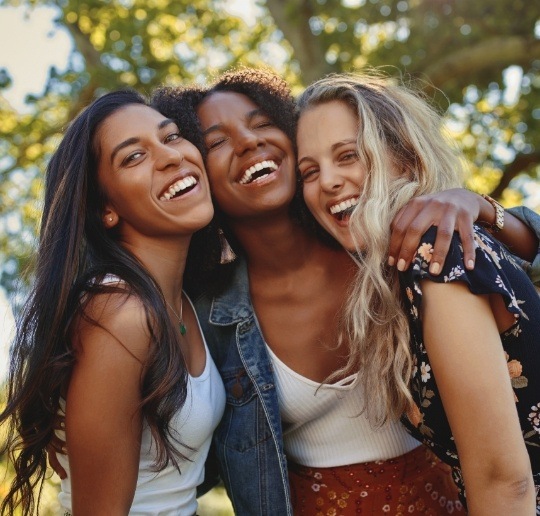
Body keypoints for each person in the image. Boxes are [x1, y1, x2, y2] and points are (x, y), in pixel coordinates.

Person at [152, 68, 540, 515]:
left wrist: (482, 207)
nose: (248, 142)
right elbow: (191, 457)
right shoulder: (205, 315)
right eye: (216, 142)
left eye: (262, 124)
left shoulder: (399, 244)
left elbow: (503, 477)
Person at [296, 72, 540, 514]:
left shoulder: (438, 252)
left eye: (348, 155)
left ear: (404, 158)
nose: (327, 181)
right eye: (309, 171)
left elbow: (505, 481)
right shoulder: (404, 265)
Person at [0, 90, 225, 515]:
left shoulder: (184, 300)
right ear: (106, 208)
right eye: (133, 157)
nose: (170, 156)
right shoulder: (120, 313)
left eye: (172, 136)